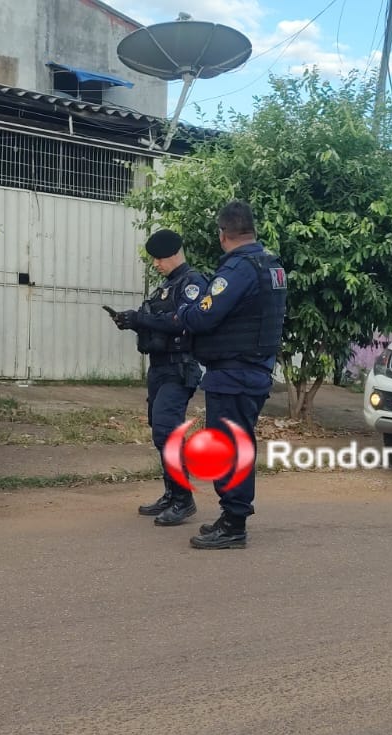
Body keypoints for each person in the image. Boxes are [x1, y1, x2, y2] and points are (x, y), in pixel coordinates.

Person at [154, 200, 286, 549]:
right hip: (249, 372)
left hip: (235, 375)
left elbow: (202, 316)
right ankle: (231, 517)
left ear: (222, 234)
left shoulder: (240, 269)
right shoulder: (270, 265)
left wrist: (183, 308)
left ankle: (234, 524)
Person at [113, 229, 206, 525]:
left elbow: (184, 321)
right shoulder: (165, 287)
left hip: (180, 368)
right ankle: (172, 492)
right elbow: (155, 322)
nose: (155, 264)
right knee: (160, 432)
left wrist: (141, 319)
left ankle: (183, 499)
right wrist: (131, 321)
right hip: (159, 367)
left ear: (173, 254)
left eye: (159, 258)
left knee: (168, 431)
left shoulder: (193, 283)